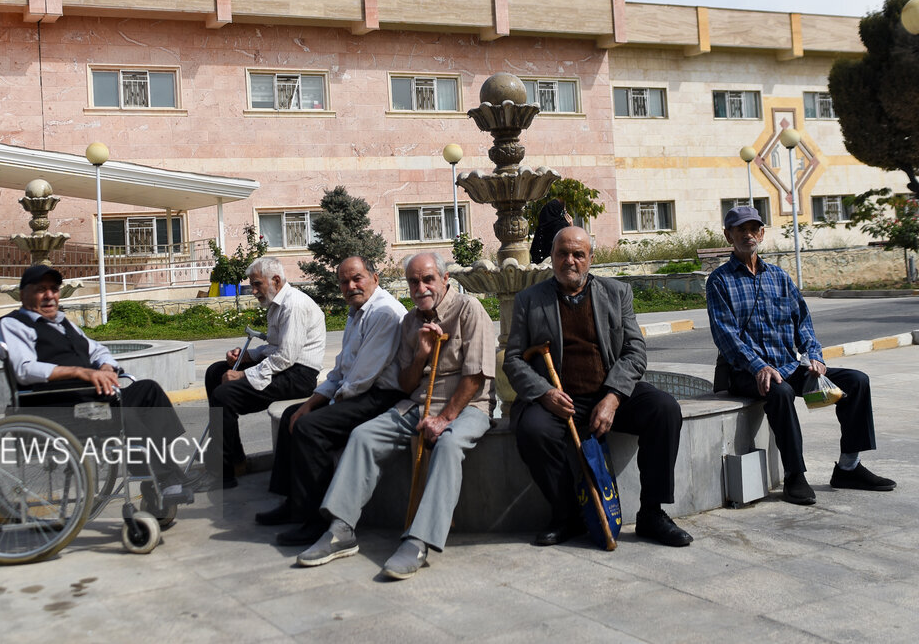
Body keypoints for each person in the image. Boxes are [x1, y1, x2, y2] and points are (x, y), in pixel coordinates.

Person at [296, 251, 495, 580]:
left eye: (428, 279)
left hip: (467, 406)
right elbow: (406, 384)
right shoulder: (410, 322)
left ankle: (419, 540)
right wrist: (421, 355)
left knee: (447, 445)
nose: (421, 287)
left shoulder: (468, 309)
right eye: (413, 282)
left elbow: (475, 378)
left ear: (445, 279)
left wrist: (444, 419)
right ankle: (340, 529)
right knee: (363, 435)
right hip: (417, 404)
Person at [504, 226, 693, 548]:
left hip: (608, 393)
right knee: (533, 431)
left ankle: (652, 513)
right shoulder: (529, 300)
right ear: (552, 257)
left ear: (591, 258)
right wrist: (545, 393)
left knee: (664, 409)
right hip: (560, 399)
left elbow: (635, 351)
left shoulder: (617, 294)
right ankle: (568, 516)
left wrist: (614, 397)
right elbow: (513, 359)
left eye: (578, 254)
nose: (570, 261)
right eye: (562, 253)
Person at [707, 205, 896, 505]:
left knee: (856, 381)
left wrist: (814, 356)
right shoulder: (719, 281)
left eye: (753, 229)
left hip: (788, 366)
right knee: (780, 392)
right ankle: (795, 474)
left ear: (762, 234)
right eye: (740, 229)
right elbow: (725, 335)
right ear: (728, 236)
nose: (748, 235)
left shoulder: (779, 277)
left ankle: (848, 468)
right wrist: (758, 366)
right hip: (745, 373)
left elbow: (803, 322)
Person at [0, 263, 193, 502]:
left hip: (89, 399)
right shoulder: (13, 324)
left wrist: (106, 367)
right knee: (124, 413)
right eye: (41, 289)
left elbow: (98, 350)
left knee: (149, 391)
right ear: (23, 293)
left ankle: (160, 472)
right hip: (56, 407)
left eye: (54, 289)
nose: (49, 295)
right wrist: (81, 372)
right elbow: (25, 369)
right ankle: (161, 477)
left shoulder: (63, 322)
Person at [255, 256, 407, 546]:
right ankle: (294, 504)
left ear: (374, 278)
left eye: (357, 278)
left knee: (310, 428)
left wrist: (326, 408)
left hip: (381, 395)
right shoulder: (357, 312)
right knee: (291, 416)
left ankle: (317, 521)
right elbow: (340, 370)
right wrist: (310, 404)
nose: (351, 286)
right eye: (344, 282)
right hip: (358, 389)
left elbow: (362, 377)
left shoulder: (384, 313)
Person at [204, 256, 325, 488]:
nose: (253, 291)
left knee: (223, 396)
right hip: (284, 367)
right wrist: (247, 356)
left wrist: (243, 375)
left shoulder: (294, 305)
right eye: (252, 285)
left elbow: (286, 357)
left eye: (257, 284)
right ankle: (236, 459)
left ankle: (225, 471)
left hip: (298, 376)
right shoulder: (277, 304)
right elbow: (274, 347)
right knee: (215, 372)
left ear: (276, 280)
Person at [529, 198, 571, 264]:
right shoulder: (562, 226)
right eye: (564, 212)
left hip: (541, 264)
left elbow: (534, 250)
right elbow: (571, 244)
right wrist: (571, 227)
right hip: (559, 264)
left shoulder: (541, 228)